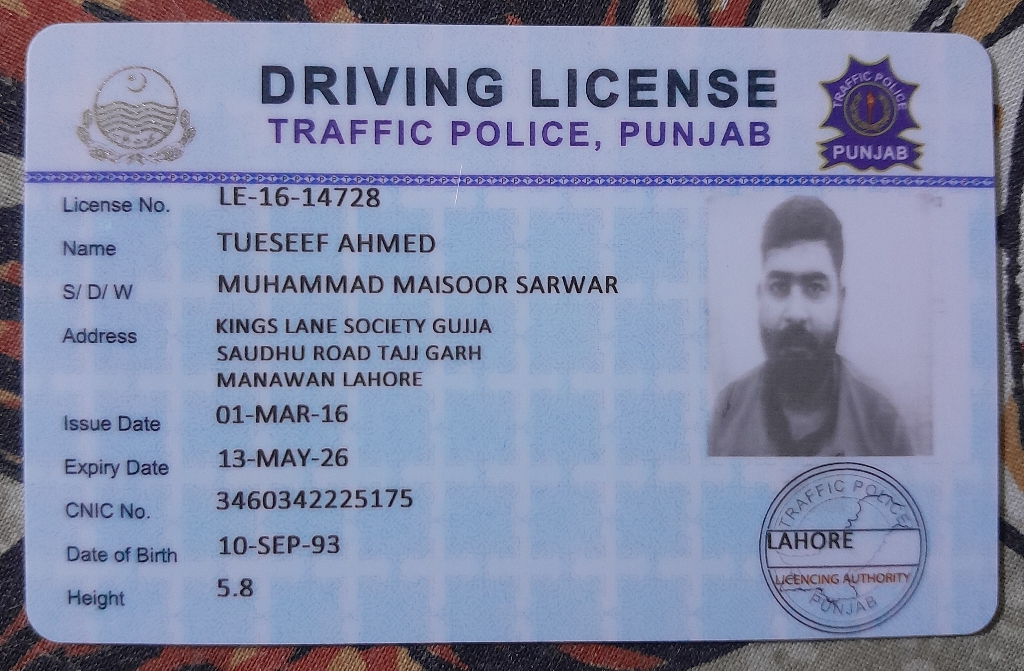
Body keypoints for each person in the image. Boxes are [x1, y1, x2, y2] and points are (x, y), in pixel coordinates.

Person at [708, 196, 912, 457]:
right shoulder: (725, 415)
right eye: (778, 287)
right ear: (759, 297)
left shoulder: (883, 425)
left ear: (840, 300)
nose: (796, 313)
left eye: (815, 287)